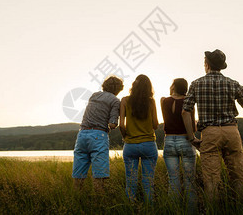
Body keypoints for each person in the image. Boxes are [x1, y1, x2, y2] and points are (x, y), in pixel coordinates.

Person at [182, 49, 243, 200]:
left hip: (209, 134)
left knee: (211, 182)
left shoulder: (196, 84)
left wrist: (192, 138)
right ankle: (240, 208)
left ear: (206, 64)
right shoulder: (233, 84)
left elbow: (185, 112)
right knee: (239, 179)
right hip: (231, 133)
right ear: (221, 66)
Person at [72, 75, 124, 191]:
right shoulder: (115, 100)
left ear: (104, 85)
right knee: (99, 175)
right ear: (118, 89)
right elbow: (112, 124)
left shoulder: (94, 96)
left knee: (78, 174)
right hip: (98, 136)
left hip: (82, 134)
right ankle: (99, 204)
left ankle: (76, 198)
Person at [161, 78, 201, 206]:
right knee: (190, 181)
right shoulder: (188, 102)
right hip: (185, 140)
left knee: (173, 180)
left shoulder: (163, 101)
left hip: (169, 141)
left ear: (173, 86)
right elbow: (193, 128)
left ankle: (174, 210)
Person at [119, 74, 159, 203]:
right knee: (148, 182)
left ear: (133, 86)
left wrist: (126, 136)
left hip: (130, 145)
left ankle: (131, 208)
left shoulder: (124, 100)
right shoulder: (151, 101)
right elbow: (155, 124)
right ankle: (149, 209)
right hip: (148, 144)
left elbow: (121, 125)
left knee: (130, 182)